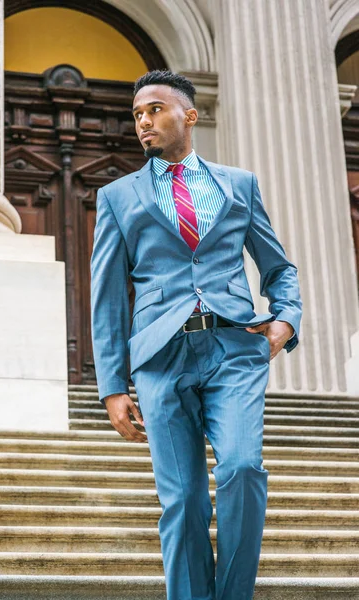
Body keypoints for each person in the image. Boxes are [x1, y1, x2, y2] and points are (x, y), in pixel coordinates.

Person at [90, 70, 302, 600]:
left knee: (242, 469)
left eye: (155, 109)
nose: (144, 122)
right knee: (183, 499)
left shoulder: (239, 184)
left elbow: (278, 267)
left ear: (190, 114)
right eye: (137, 114)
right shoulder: (118, 196)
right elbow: (108, 295)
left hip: (233, 347)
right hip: (161, 356)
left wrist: (286, 317)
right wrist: (113, 386)